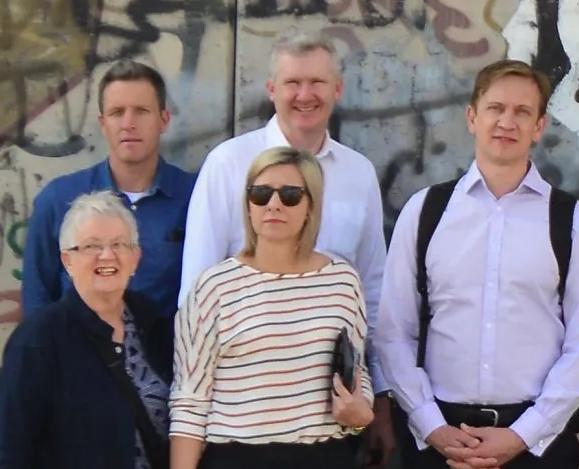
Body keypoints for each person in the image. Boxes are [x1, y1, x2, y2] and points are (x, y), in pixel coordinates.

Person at [374, 59, 579, 469]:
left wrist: (525, 433)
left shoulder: (573, 222)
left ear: (539, 127)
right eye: (495, 108)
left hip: (538, 446)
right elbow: (394, 333)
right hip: (438, 441)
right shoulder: (425, 211)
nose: (507, 121)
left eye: (522, 112)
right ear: (472, 117)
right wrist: (430, 425)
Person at [178, 30, 393, 464]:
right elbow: (194, 295)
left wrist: (376, 403)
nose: (304, 95)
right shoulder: (227, 163)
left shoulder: (358, 172)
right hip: (240, 434)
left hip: (327, 432)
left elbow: (373, 295)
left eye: (316, 82)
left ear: (338, 89)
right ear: (272, 89)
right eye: (293, 83)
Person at [169, 147, 374, 469]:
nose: (273, 204)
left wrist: (362, 417)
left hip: (324, 456)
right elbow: (189, 402)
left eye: (290, 195)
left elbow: (357, 380)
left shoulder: (342, 282)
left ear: (310, 206)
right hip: (237, 457)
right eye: (261, 194)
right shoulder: (213, 287)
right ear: (248, 206)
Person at [0, 191, 172, 469]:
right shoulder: (37, 342)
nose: (107, 255)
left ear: (135, 258)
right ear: (67, 260)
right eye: (92, 246)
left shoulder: (152, 322)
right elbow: (11, 449)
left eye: (119, 244)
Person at [22, 60, 195, 319]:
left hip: (164, 356)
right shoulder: (59, 199)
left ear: (164, 119)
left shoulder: (194, 197)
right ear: (103, 124)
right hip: (77, 356)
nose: (128, 123)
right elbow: (37, 299)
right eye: (117, 112)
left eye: (141, 111)